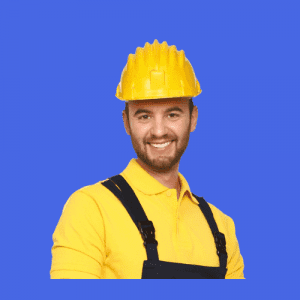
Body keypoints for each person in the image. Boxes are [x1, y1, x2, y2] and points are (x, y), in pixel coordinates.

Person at [50, 39, 245, 279]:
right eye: (144, 116)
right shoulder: (90, 209)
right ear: (126, 122)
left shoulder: (221, 227)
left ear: (193, 118)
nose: (159, 130)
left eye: (172, 114)